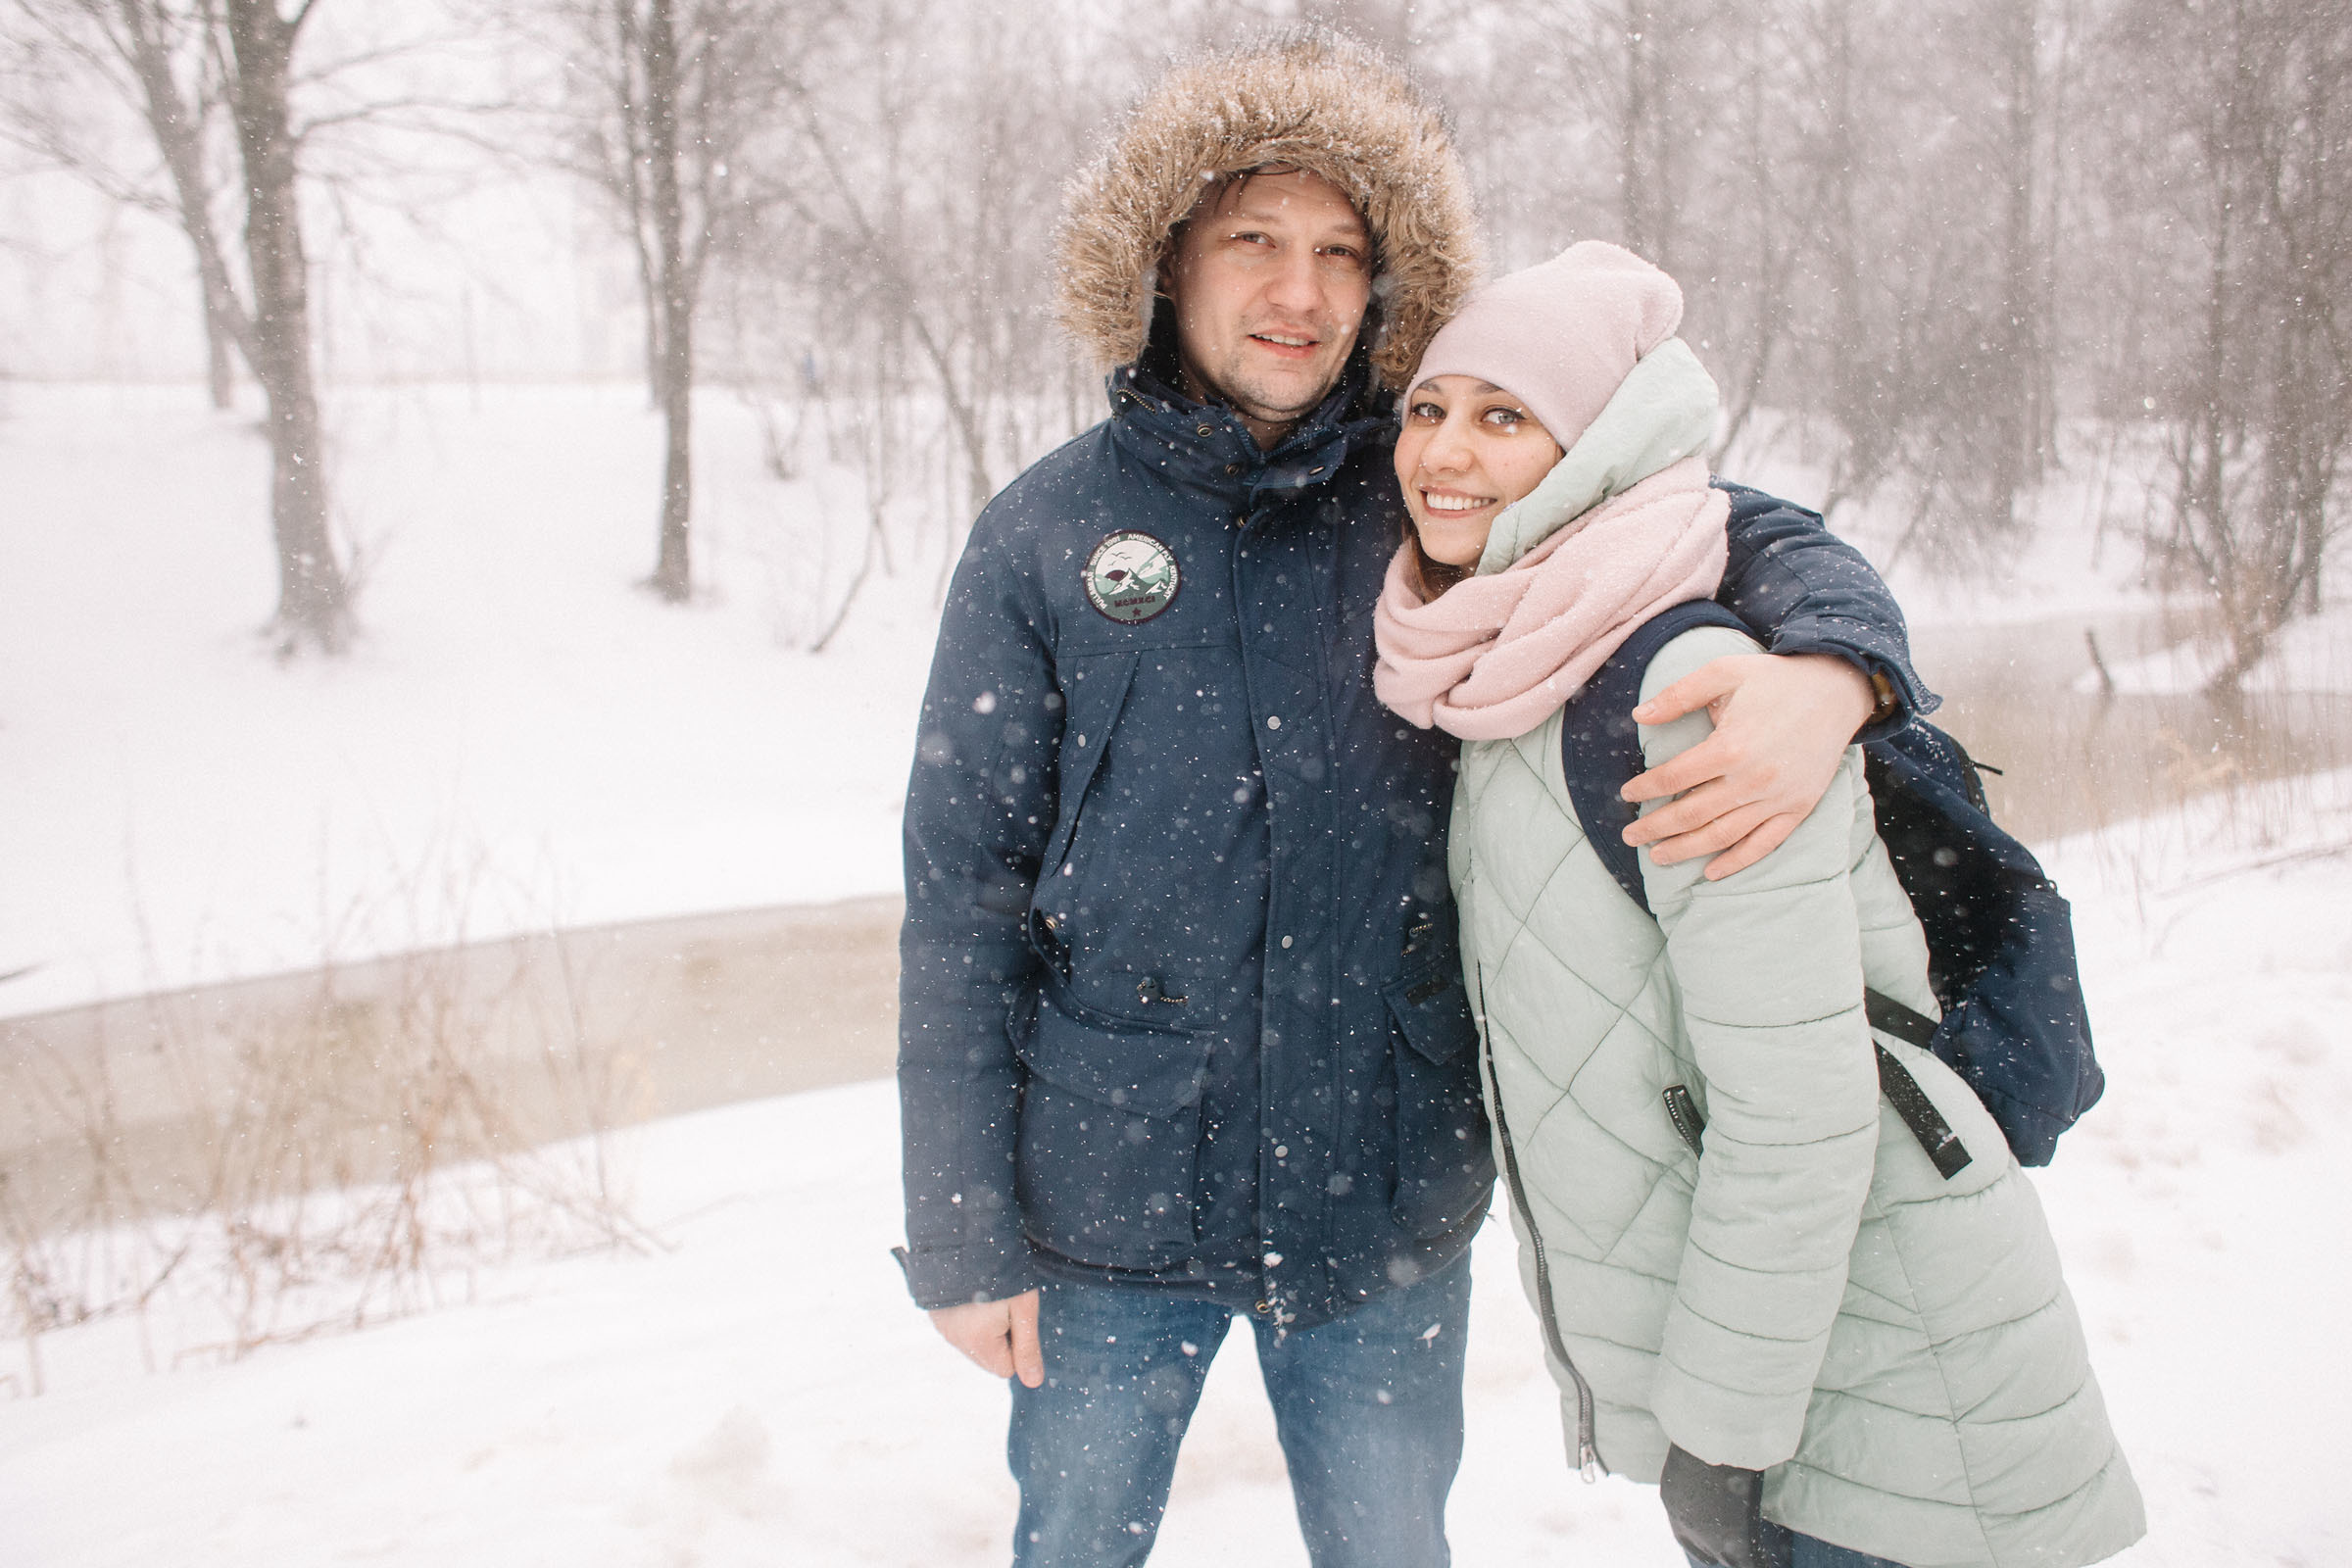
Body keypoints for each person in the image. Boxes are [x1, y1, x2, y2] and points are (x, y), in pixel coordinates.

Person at [895, 32, 1934, 1568]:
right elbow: (960, 900)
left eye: (1339, 252)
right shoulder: (1048, 531)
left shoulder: (1440, 482)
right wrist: (965, 1234)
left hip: (1378, 1197)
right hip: (1103, 1210)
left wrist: (1839, 664)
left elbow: (1717, 519)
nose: (1299, 293)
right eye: (1253, 241)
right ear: (1167, 263)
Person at [1373, 240, 2146, 1568]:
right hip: (1807, 1385)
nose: (1445, 449)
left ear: (1601, 448)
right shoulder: (1518, 654)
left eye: (1507, 416)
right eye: (1430, 409)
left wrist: (1722, 1433)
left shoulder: (1677, 689)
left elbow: (1798, 1112)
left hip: (1892, 1398)